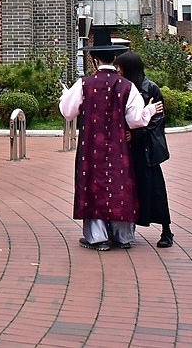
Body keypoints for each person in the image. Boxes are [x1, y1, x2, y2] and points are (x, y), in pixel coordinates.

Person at [59, 29, 164, 251]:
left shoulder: (84, 84)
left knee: (93, 184)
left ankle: (98, 237)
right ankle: (123, 236)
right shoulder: (127, 86)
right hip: (119, 146)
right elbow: (136, 120)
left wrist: (64, 96)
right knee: (119, 184)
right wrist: (150, 110)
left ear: (94, 59)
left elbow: (68, 112)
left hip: (91, 146)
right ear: (114, 58)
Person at [114, 51, 174, 248]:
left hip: (147, 149)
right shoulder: (122, 88)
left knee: (155, 188)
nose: (117, 70)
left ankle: (166, 231)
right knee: (129, 189)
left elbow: (157, 118)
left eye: (120, 67)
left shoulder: (150, 88)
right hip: (127, 147)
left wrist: (135, 133)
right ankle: (124, 232)